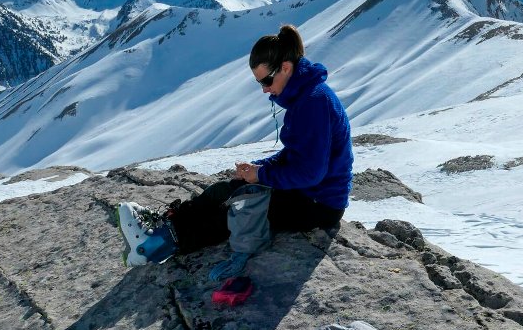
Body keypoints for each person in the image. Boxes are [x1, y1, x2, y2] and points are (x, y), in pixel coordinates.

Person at [117, 24, 354, 280]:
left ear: (286, 68)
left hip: (319, 204)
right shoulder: (306, 97)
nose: (264, 89)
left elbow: (310, 173)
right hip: (308, 193)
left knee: (238, 209)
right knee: (225, 189)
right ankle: (164, 227)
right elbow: (296, 154)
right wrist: (258, 168)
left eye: (266, 80)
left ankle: (152, 247)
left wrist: (261, 175)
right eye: (259, 82)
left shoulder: (313, 102)